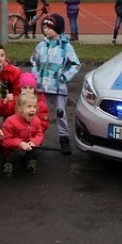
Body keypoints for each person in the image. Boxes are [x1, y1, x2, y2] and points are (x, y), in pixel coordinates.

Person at [30, 13, 80, 156]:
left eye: (49, 28)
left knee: (60, 113)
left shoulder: (66, 47)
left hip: (58, 87)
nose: (46, 30)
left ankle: (64, 139)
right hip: (42, 87)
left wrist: (64, 77)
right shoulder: (41, 45)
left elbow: (76, 65)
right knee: (39, 113)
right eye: (44, 27)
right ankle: (36, 139)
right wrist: (35, 76)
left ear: (57, 28)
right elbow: (33, 61)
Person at [0, 92, 44, 177]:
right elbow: (5, 141)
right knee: (19, 153)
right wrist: (19, 143)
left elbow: (39, 134)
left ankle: (28, 161)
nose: (33, 109)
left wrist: (34, 142)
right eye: (29, 106)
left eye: (34, 106)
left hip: (28, 146)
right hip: (13, 149)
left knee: (37, 149)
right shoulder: (10, 121)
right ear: (20, 108)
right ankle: (7, 162)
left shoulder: (36, 120)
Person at [0, 42, 21, 120]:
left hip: (8, 101)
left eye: (2, 55)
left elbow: (18, 94)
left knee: (10, 122)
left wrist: (7, 101)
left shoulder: (14, 72)